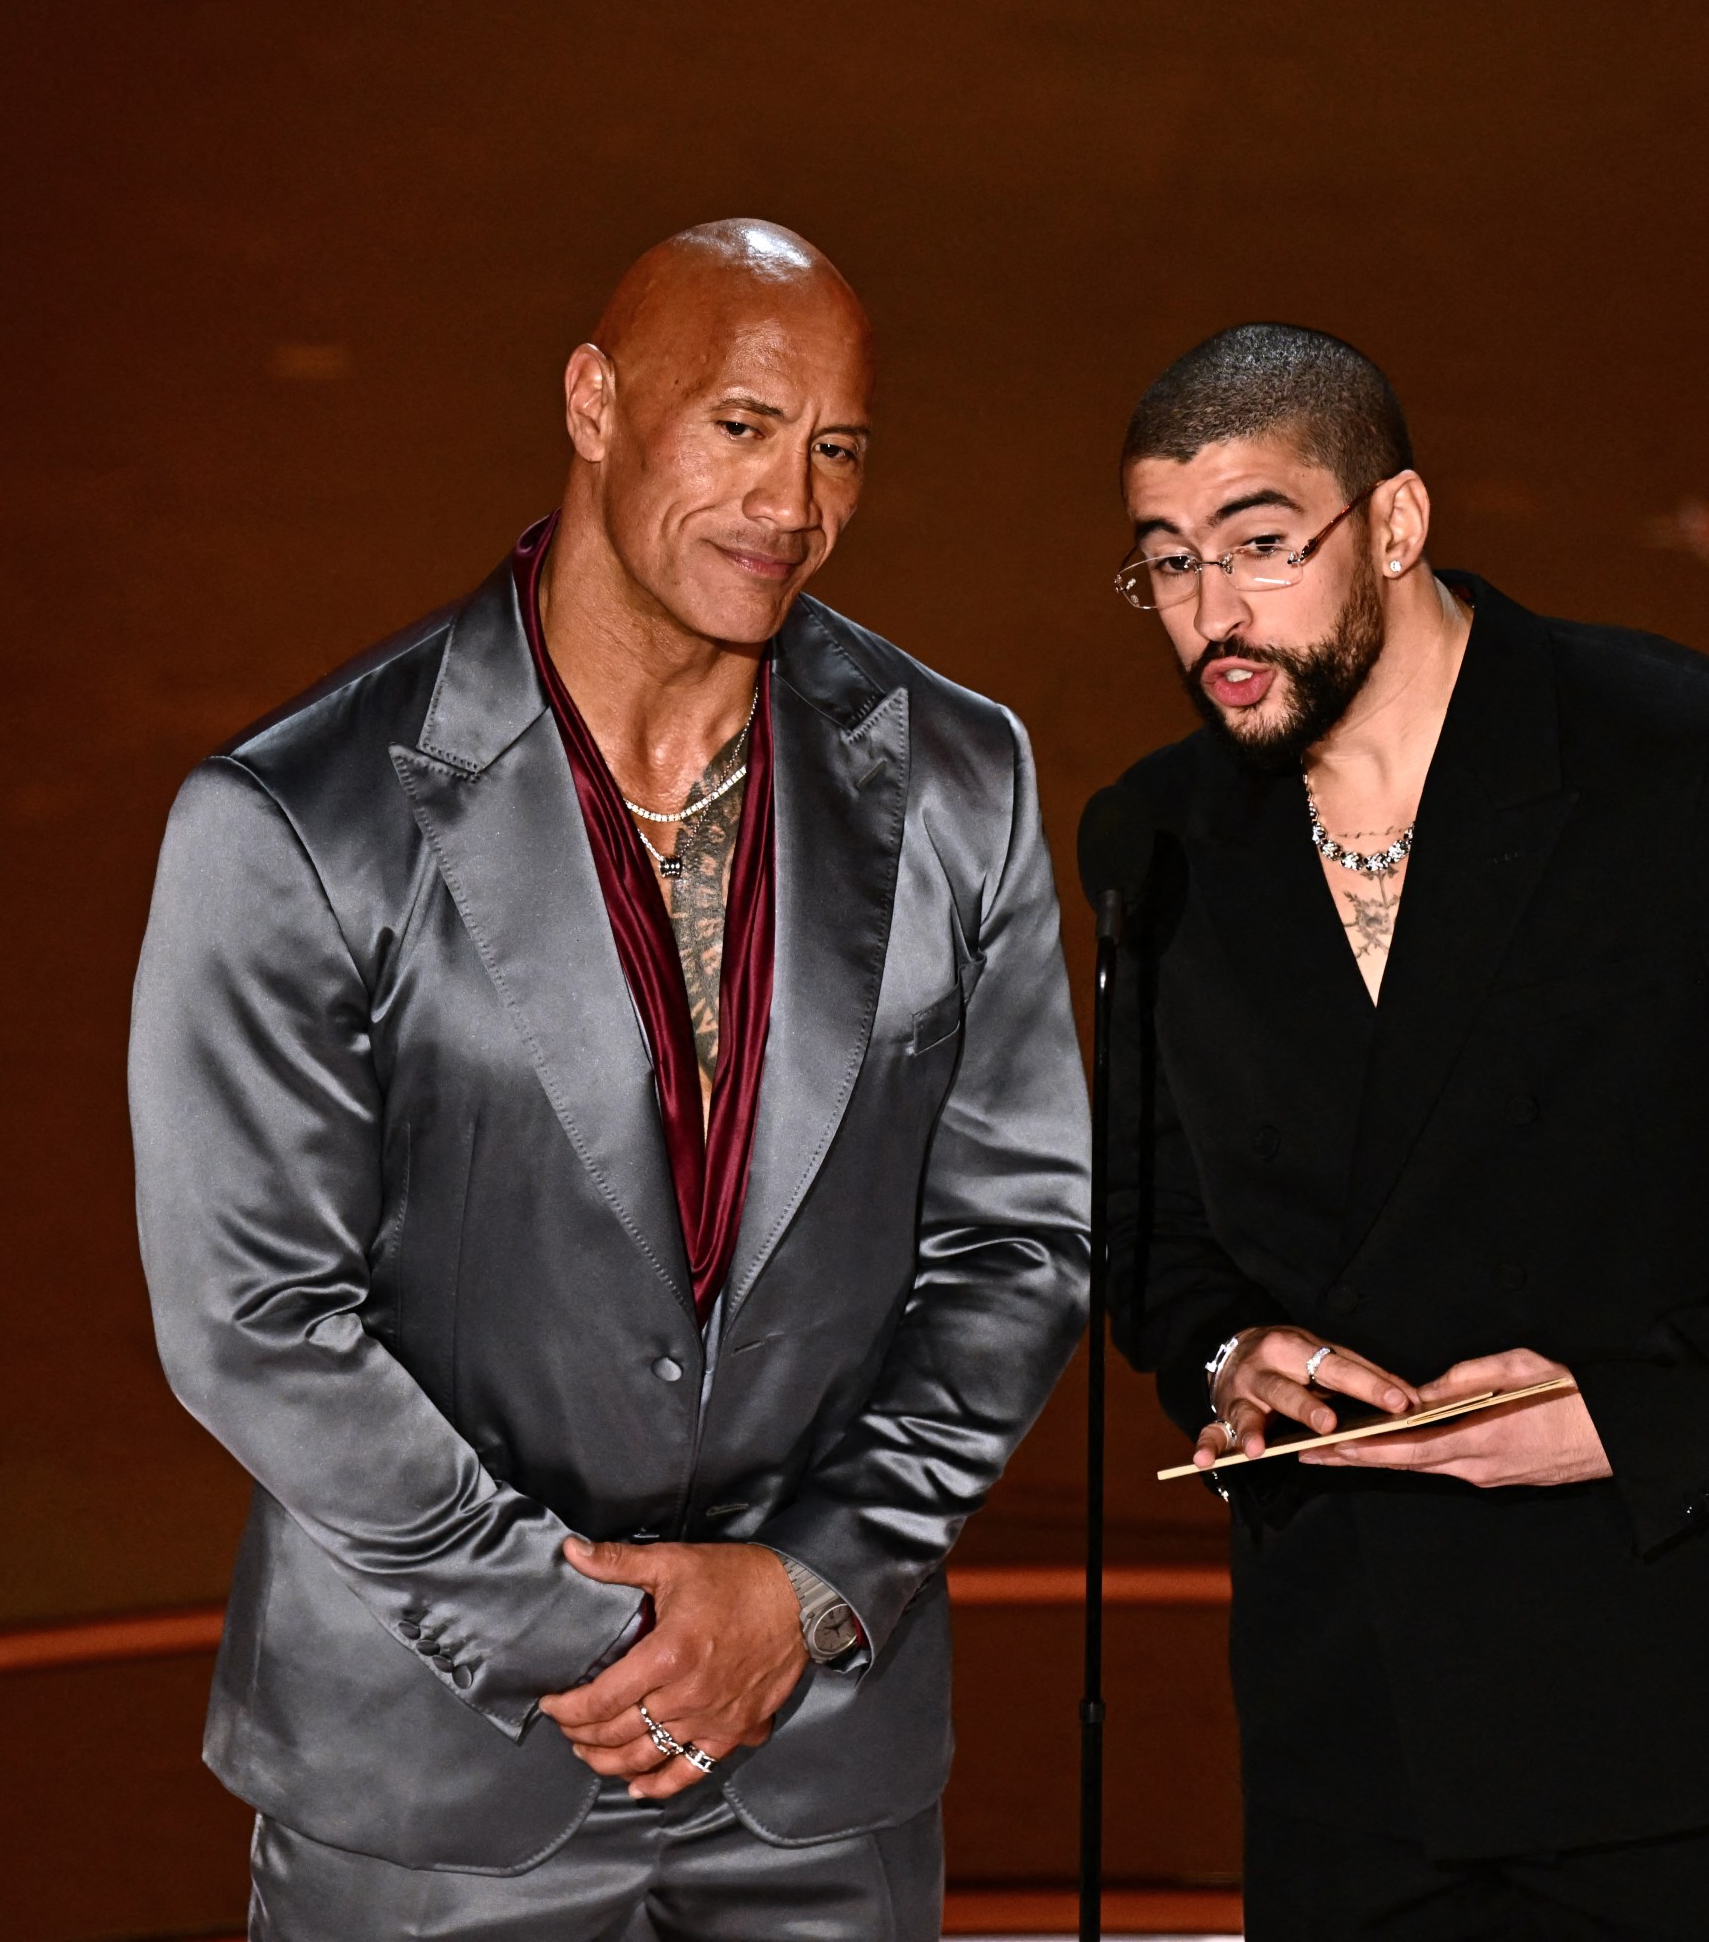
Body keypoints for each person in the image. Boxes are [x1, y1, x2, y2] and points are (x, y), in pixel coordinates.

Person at [130, 220, 1088, 1940]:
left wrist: (805, 1592)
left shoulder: (963, 779)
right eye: (739, 424)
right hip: (435, 1784)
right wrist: (611, 1638)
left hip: (816, 1784)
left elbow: (1019, 1246)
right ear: (592, 401)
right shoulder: (295, 821)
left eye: (838, 447)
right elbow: (254, 1316)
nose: (789, 502)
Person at [1098, 324, 1709, 1939]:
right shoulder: (1158, 839)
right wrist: (1229, 1351)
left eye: (1259, 545)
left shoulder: (1701, 765)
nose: (1212, 618)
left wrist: (1624, 1415)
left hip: (1677, 1700)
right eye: (1167, 565)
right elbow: (1152, 1230)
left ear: (1394, 523)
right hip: (1349, 1727)